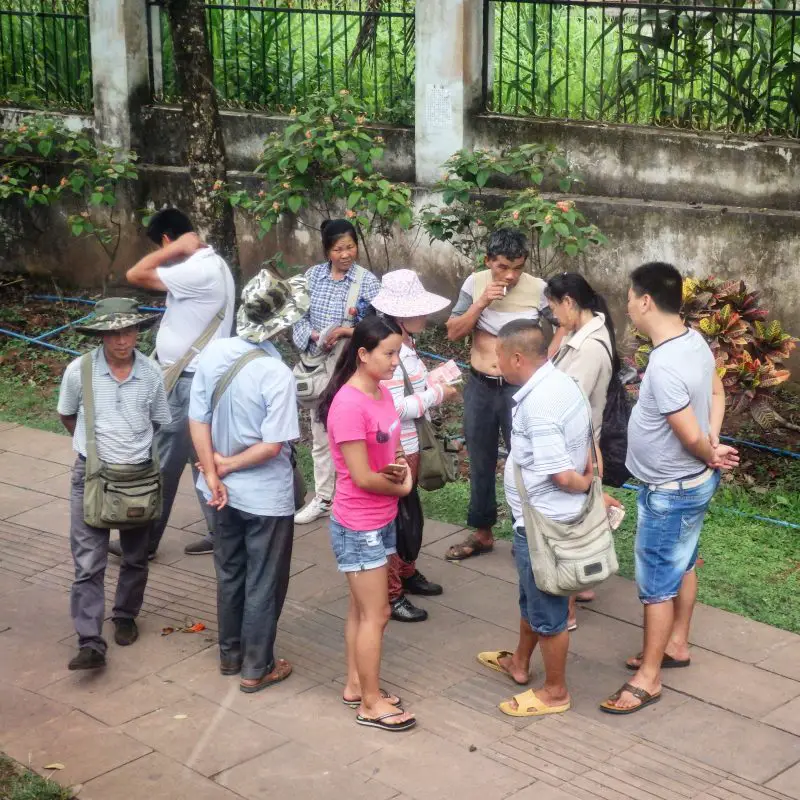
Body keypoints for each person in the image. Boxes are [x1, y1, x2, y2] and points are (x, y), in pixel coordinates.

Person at [600, 262, 738, 715]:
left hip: (672, 489)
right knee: (684, 559)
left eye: (628, 299)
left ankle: (649, 678)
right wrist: (714, 443)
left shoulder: (664, 364)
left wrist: (708, 449)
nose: (626, 307)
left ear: (644, 301)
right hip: (692, 483)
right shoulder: (694, 341)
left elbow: (686, 434)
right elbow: (716, 396)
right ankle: (676, 644)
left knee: (656, 583)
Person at [189, 270, 307, 692]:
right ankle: (258, 667)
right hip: (264, 497)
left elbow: (197, 418)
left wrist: (211, 470)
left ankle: (230, 654)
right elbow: (273, 446)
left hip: (217, 492)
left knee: (230, 571)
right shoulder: (276, 373)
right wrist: (228, 467)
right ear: (281, 323)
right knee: (264, 579)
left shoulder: (213, 353)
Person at [477, 320, 592, 717]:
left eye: (498, 358)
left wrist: (583, 486)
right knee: (532, 598)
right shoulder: (562, 384)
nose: (496, 366)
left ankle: (556, 691)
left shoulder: (540, 406)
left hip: (545, 526)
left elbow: (561, 474)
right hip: (540, 521)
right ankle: (520, 663)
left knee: (549, 612)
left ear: (517, 357)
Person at [110, 208, 235, 560]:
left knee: (163, 460)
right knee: (203, 457)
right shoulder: (214, 265)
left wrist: (175, 249)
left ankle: (143, 544)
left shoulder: (197, 267)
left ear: (168, 239)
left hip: (189, 382)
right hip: (196, 377)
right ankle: (220, 532)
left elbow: (136, 273)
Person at [57, 298, 171, 670]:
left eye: (129, 331)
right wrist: (92, 449)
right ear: (101, 335)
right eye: (114, 333)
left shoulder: (152, 373)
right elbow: (67, 413)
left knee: (136, 556)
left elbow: (157, 421)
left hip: (138, 477)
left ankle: (125, 615)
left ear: (139, 331)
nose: (123, 340)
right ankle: (90, 640)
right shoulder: (79, 371)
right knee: (88, 563)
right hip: (91, 477)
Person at [318, 315, 416, 732]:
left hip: (380, 518)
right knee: (377, 613)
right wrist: (403, 488)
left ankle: (357, 685)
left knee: (362, 610)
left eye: (398, 352)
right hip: (359, 525)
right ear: (363, 354)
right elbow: (360, 477)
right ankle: (371, 704)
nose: (396, 361)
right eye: (389, 353)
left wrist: (403, 475)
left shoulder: (382, 394)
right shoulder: (348, 404)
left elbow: (390, 459)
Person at [444, 229, 559, 561]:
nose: (510, 275)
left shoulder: (538, 289)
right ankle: (482, 533)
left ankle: (530, 535)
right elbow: (453, 332)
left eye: (518, 267)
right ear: (488, 261)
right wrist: (482, 302)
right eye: (503, 266)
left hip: (521, 390)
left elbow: (566, 321)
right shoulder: (475, 284)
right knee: (480, 461)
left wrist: (549, 354)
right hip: (480, 386)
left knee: (526, 460)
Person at [371, 269, 458, 622]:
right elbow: (393, 406)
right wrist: (437, 393)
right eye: (417, 310)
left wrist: (430, 383)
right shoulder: (392, 350)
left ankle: (405, 572)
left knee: (409, 515)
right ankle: (390, 593)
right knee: (396, 520)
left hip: (409, 445)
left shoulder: (405, 344)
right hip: (397, 448)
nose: (424, 315)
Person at [292, 219, 381, 526]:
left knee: (352, 431)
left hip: (349, 366)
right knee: (319, 429)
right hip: (318, 364)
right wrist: (316, 336)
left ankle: (353, 493)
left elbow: (379, 326)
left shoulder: (366, 282)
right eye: (338, 249)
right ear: (327, 250)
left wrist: (347, 331)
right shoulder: (312, 276)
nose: (346, 254)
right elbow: (297, 317)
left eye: (350, 247)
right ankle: (324, 497)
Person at [545, 272, 618, 627]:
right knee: (579, 519)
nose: (553, 316)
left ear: (569, 303)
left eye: (554, 308)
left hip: (576, 445)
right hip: (581, 442)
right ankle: (582, 585)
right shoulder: (582, 334)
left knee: (570, 526)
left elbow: (568, 403)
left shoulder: (588, 348)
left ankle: (567, 608)